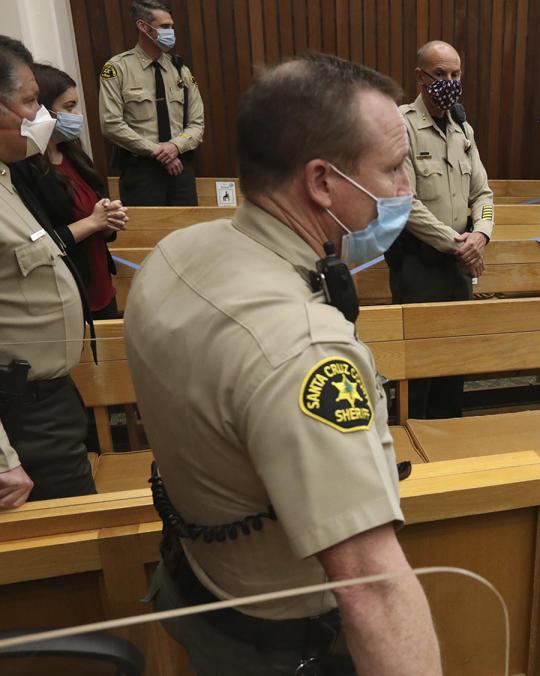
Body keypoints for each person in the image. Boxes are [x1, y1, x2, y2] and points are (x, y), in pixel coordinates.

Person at [124, 52, 441, 675]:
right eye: (396, 169)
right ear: (322, 183)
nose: (408, 192)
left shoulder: (177, 250)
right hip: (281, 641)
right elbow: (372, 586)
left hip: (199, 586)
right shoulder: (302, 348)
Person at [0, 41, 97, 508]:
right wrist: (2, 458)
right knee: (84, 547)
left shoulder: (8, 177)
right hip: (21, 417)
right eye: (30, 101)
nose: (41, 115)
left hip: (49, 398)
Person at [386, 40, 494, 420]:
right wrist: (458, 244)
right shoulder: (400, 125)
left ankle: (451, 446)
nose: (450, 82)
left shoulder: (463, 127)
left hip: (459, 266)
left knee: (453, 364)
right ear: (420, 77)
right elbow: (404, 203)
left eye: (456, 74)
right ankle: (412, 446)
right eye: (441, 75)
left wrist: (481, 234)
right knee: (417, 372)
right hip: (419, 265)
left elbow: (483, 193)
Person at [23, 64, 127, 320]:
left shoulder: (74, 154)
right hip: (68, 298)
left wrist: (108, 222)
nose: (77, 114)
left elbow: (95, 216)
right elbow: (37, 244)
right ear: (42, 110)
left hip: (102, 289)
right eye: (69, 107)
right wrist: (93, 222)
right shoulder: (26, 169)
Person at [99, 0, 204, 206]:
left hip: (180, 169)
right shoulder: (118, 68)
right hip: (141, 171)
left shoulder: (180, 70)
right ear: (143, 26)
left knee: (186, 232)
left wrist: (174, 146)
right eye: (165, 27)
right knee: (146, 235)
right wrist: (157, 151)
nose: (171, 32)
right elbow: (111, 124)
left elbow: (197, 123)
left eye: (172, 27)